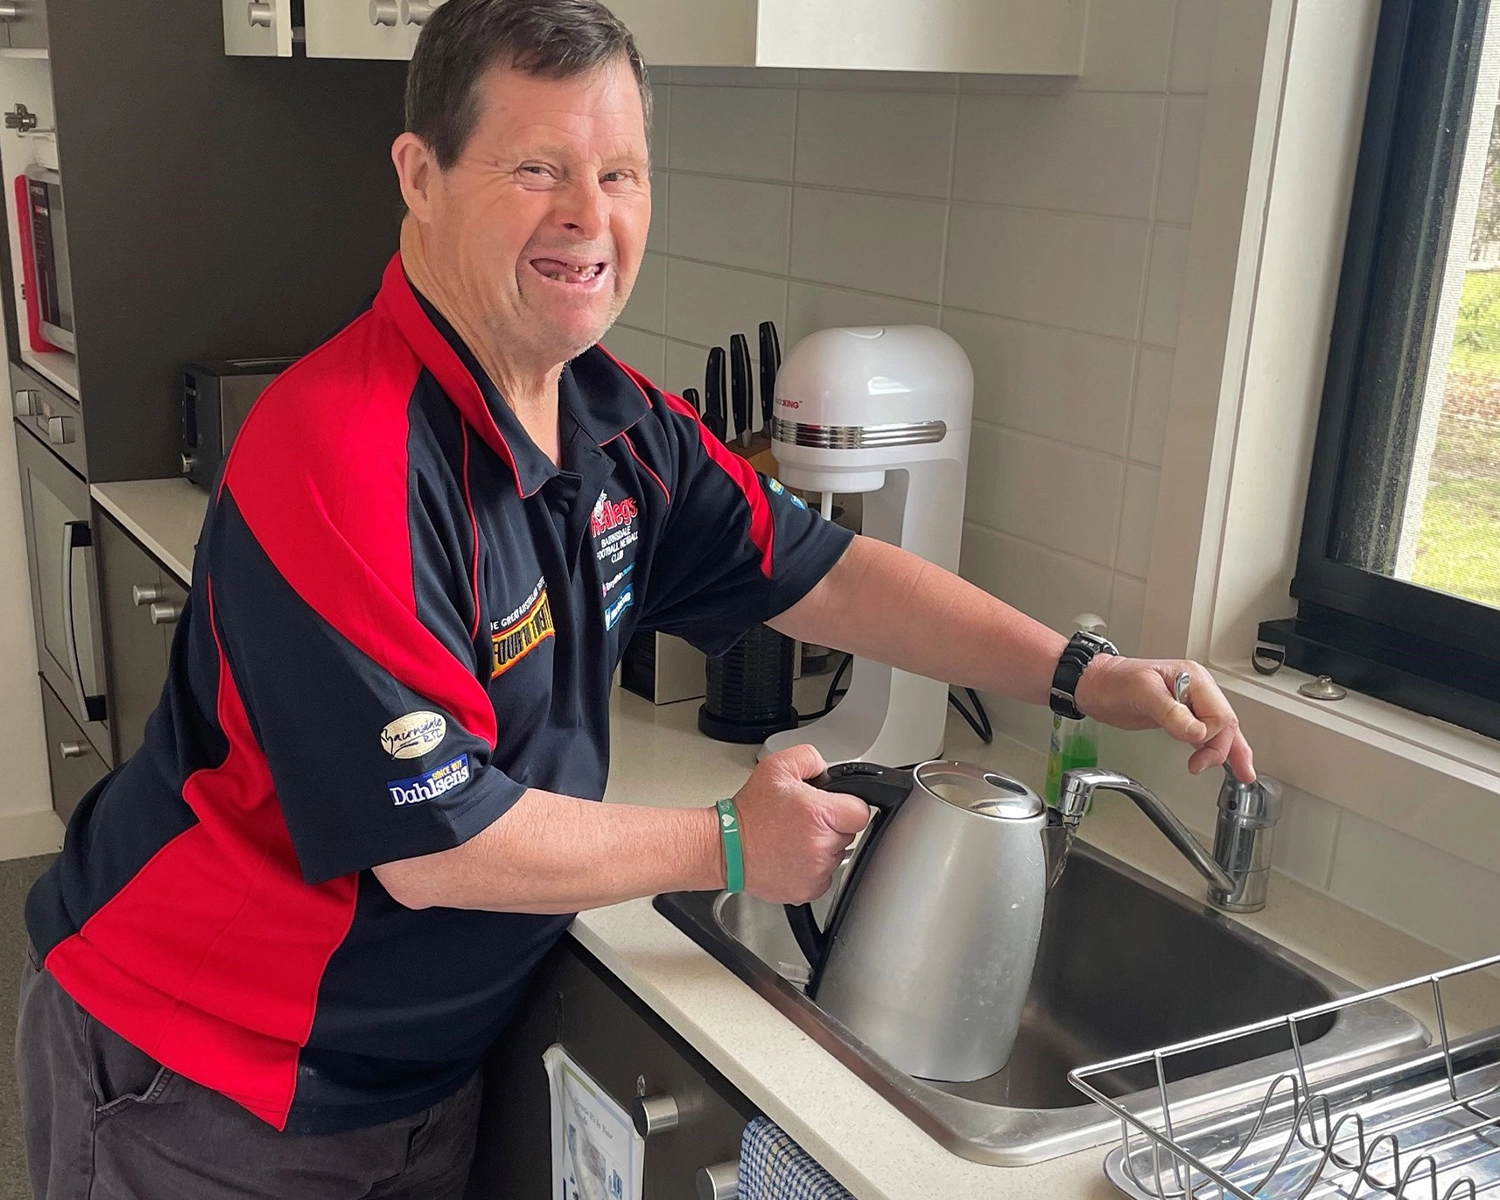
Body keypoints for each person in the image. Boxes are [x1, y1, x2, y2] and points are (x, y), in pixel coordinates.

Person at [14, 1, 1254, 1196]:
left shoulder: (615, 421)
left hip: (412, 1076)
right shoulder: (343, 452)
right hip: (205, 1078)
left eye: (621, 174)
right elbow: (433, 849)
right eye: (537, 167)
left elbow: (827, 572)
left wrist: (1082, 673)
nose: (588, 217)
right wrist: (726, 841)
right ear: (418, 173)